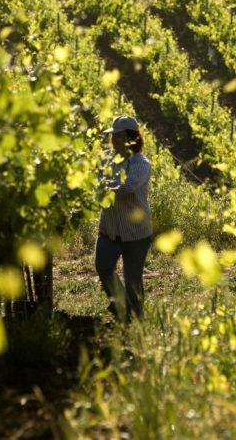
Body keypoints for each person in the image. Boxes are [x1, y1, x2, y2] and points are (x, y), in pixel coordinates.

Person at [95, 115, 152, 321]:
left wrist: (103, 184)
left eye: (119, 137)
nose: (114, 141)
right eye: (113, 137)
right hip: (109, 228)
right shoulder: (107, 160)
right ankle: (122, 307)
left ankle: (137, 321)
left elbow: (128, 186)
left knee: (133, 281)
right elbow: (95, 182)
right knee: (103, 266)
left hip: (136, 232)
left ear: (131, 138)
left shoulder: (141, 163)